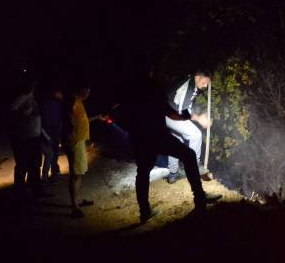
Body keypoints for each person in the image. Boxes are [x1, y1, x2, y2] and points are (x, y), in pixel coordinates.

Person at [123, 71, 221, 223]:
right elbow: (172, 113)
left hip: (139, 137)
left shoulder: (130, 88)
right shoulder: (155, 87)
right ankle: (199, 198)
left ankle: (145, 211)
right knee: (189, 153)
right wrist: (197, 119)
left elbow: (124, 112)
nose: (206, 85)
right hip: (156, 135)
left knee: (142, 172)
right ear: (150, 72)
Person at [62, 85, 107, 218]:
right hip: (75, 142)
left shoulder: (79, 101)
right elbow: (69, 118)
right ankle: (74, 207)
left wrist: (98, 117)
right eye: (87, 90)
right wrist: (71, 127)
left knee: (79, 173)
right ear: (80, 89)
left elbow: (82, 120)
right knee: (76, 174)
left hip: (79, 141)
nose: (88, 93)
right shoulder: (72, 101)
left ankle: (78, 200)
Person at [164, 70, 213, 184]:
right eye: (205, 82)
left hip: (168, 113)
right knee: (195, 134)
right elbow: (181, 111)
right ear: (197, 78)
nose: (206, 86)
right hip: (170, 115)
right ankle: (194, 166)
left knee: (176, 140)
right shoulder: (189, 86)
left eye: (207, 84)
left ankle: (173, 174)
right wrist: (199, 119)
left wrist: (200, 115)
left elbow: (186, 107)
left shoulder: (192, 85)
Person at [8, 81, 49, 200]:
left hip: (34, 137)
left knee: (35, 165)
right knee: (23, 166)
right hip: (24, 139)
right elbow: (12, 111)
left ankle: (36, 191)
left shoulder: (32, 98)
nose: (35, 87)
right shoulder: (21, 98)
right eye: (33, 84)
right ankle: (20, 192)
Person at [39, 87, 63, 181]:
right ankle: (49, 174)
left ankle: (53, 172)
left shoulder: (56, 103)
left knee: (52, 152)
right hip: (48, 129)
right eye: (60, 92)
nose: (62, 95)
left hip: (52, 129)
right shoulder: (50, 103)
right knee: (51, 153)